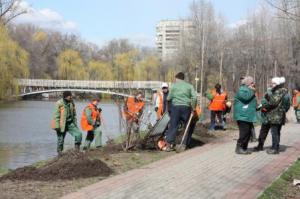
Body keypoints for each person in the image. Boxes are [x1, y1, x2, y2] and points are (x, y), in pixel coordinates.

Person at [254, 77, 290, 152]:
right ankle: (260, 145)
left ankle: (275, 148)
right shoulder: (273, 91)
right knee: (264, 130)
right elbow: (266, 100)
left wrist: (281, 111)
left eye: (274, 83)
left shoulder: (280, 92)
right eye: (272, 83)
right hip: (268, 115)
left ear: (278, 84)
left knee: (275, 132)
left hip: (276, 116)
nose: (272, 84)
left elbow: (274, 102)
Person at [164, 72, 197, 152]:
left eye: (175, 79)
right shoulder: (189, 86)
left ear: (178, 78)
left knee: (173, 126)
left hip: (176, 108)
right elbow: (194, 98)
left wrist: (169, 110)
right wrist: (193, 107)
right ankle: (184, 144)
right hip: (186, 108)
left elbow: (168, 98)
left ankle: (168, 145)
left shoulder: (174, 86)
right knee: (187, 126)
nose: (175, 80)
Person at [51, 91, 82, 155]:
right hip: (61, 124)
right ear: (65, 97)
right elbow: (56, 116)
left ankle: (77, 149)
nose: (71, 97)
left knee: (79, 134)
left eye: (71, 96)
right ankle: (59, 152)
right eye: (69, 96)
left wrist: (75, 123)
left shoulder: (72, 103)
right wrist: (57, 126)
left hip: (70, 123)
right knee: (60, 139)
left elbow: (74, 114)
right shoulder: (59, 103)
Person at [233, 76, 257, 155]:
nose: (253, 84)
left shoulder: (248, 90)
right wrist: (252, 91)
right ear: (248, 83)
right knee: (244, 133)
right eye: (252, 82)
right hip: (242, 115)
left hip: (247, 115)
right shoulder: (242, 90)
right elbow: (246, 98)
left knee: (248, 133)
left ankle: (244, 147)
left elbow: (250, 102)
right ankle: (239, 148)